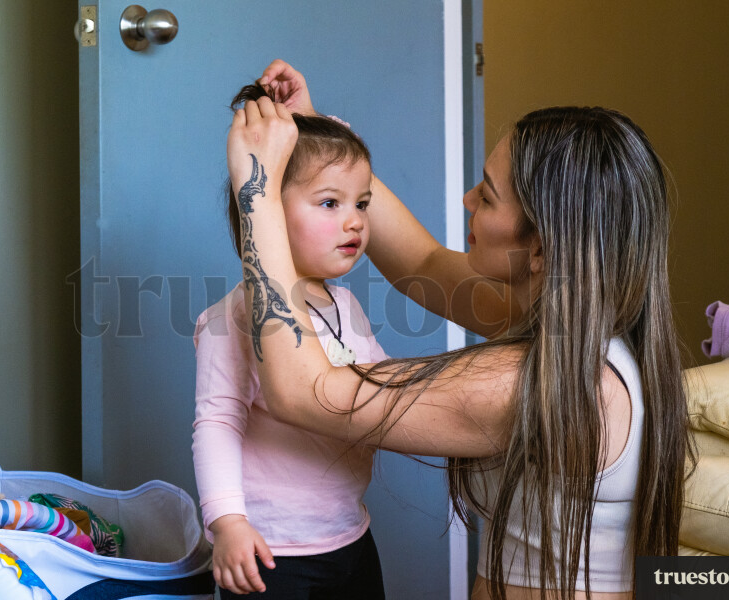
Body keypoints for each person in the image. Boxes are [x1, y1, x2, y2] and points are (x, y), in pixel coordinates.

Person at [222, 60, 693, 600]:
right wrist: (318, 140)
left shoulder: (533, 383)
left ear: (539, 248)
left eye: (487, 195)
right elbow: (421, 263)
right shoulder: (584, 342)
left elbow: (302, 394)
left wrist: (257, 188)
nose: (467, 200)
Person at [192, 82, 389, 599]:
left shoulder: (346, 307)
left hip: (351, 535)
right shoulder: (229, 318)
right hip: (272, 551)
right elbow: (217, 422)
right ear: (268, 213)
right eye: (330, 202)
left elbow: (384, 391)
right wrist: (228, 524)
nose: (355, 221)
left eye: (361, 204)